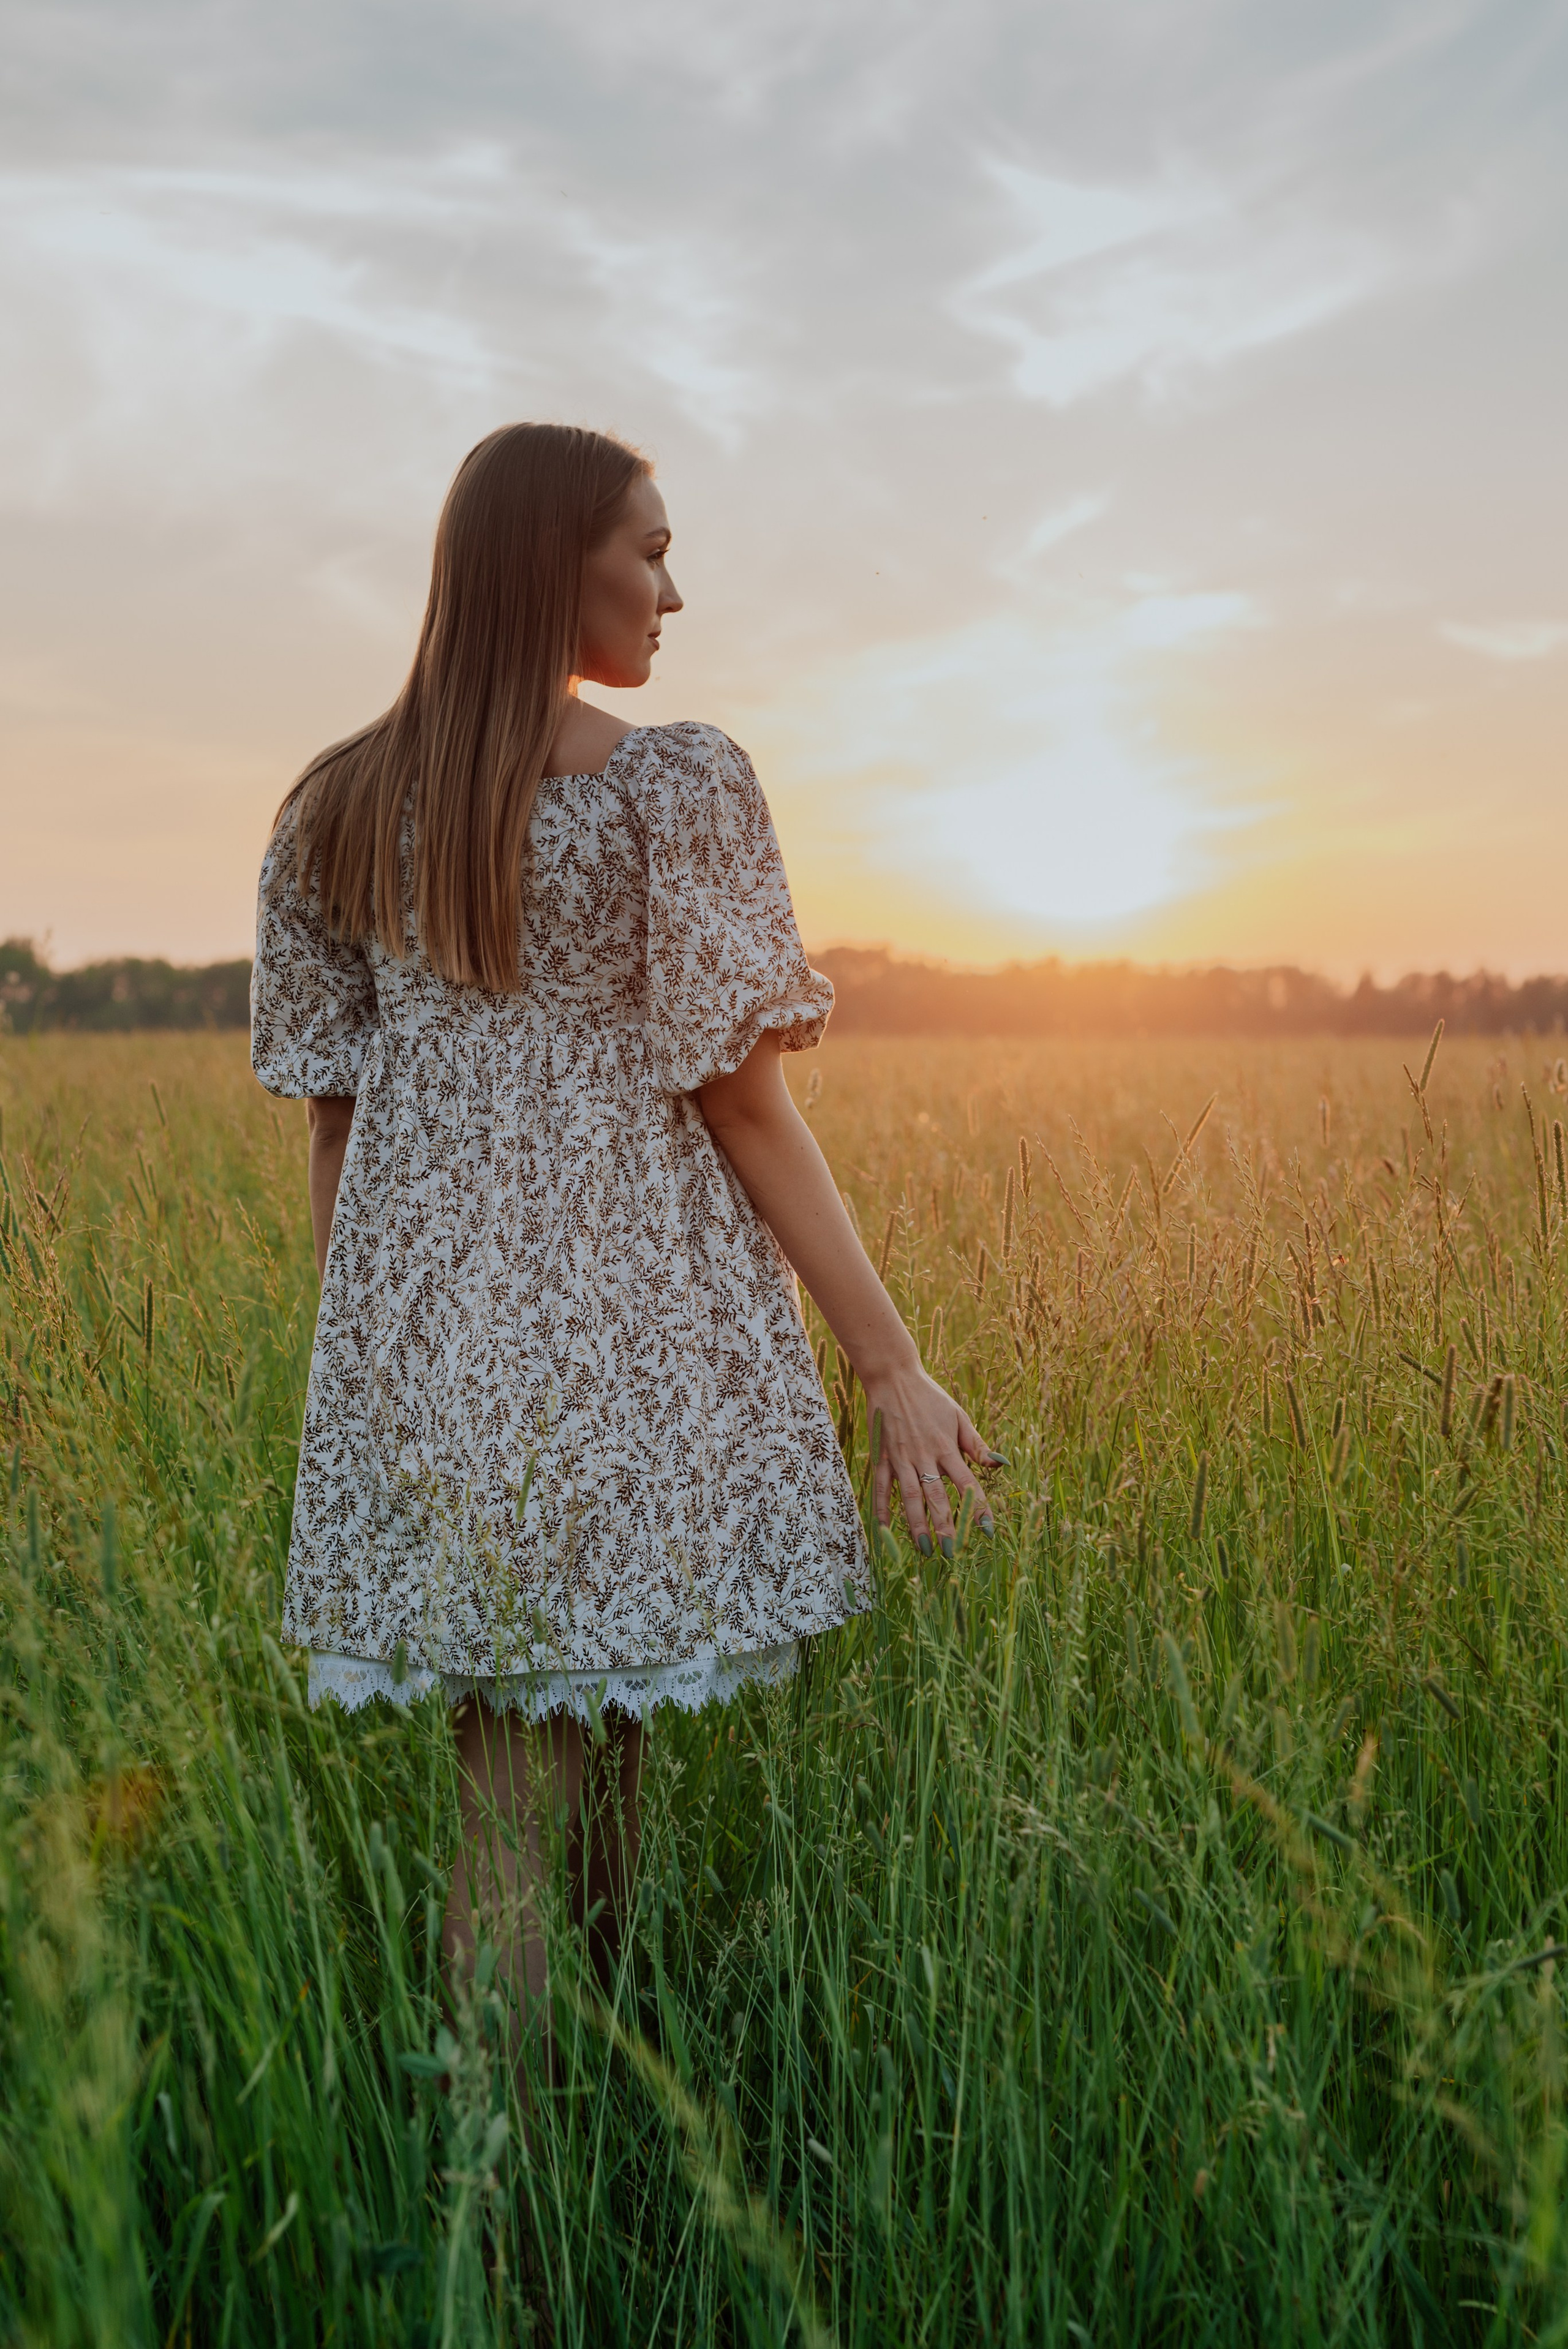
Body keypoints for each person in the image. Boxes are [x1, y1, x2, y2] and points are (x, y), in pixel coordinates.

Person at [251, 421, 1000, 2042]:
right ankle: (500, 2212)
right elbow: (744, 1106)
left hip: (433, 1354)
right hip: (632, 1347)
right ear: (552, 561)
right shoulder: (676, 786)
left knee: (550, 1771)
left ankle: (561, 2156)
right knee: (557, 1791)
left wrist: (384, 1388)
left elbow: (335, 1123)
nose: (676, 589)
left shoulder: (329, 809)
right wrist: (892, 1363)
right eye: (649, 550)